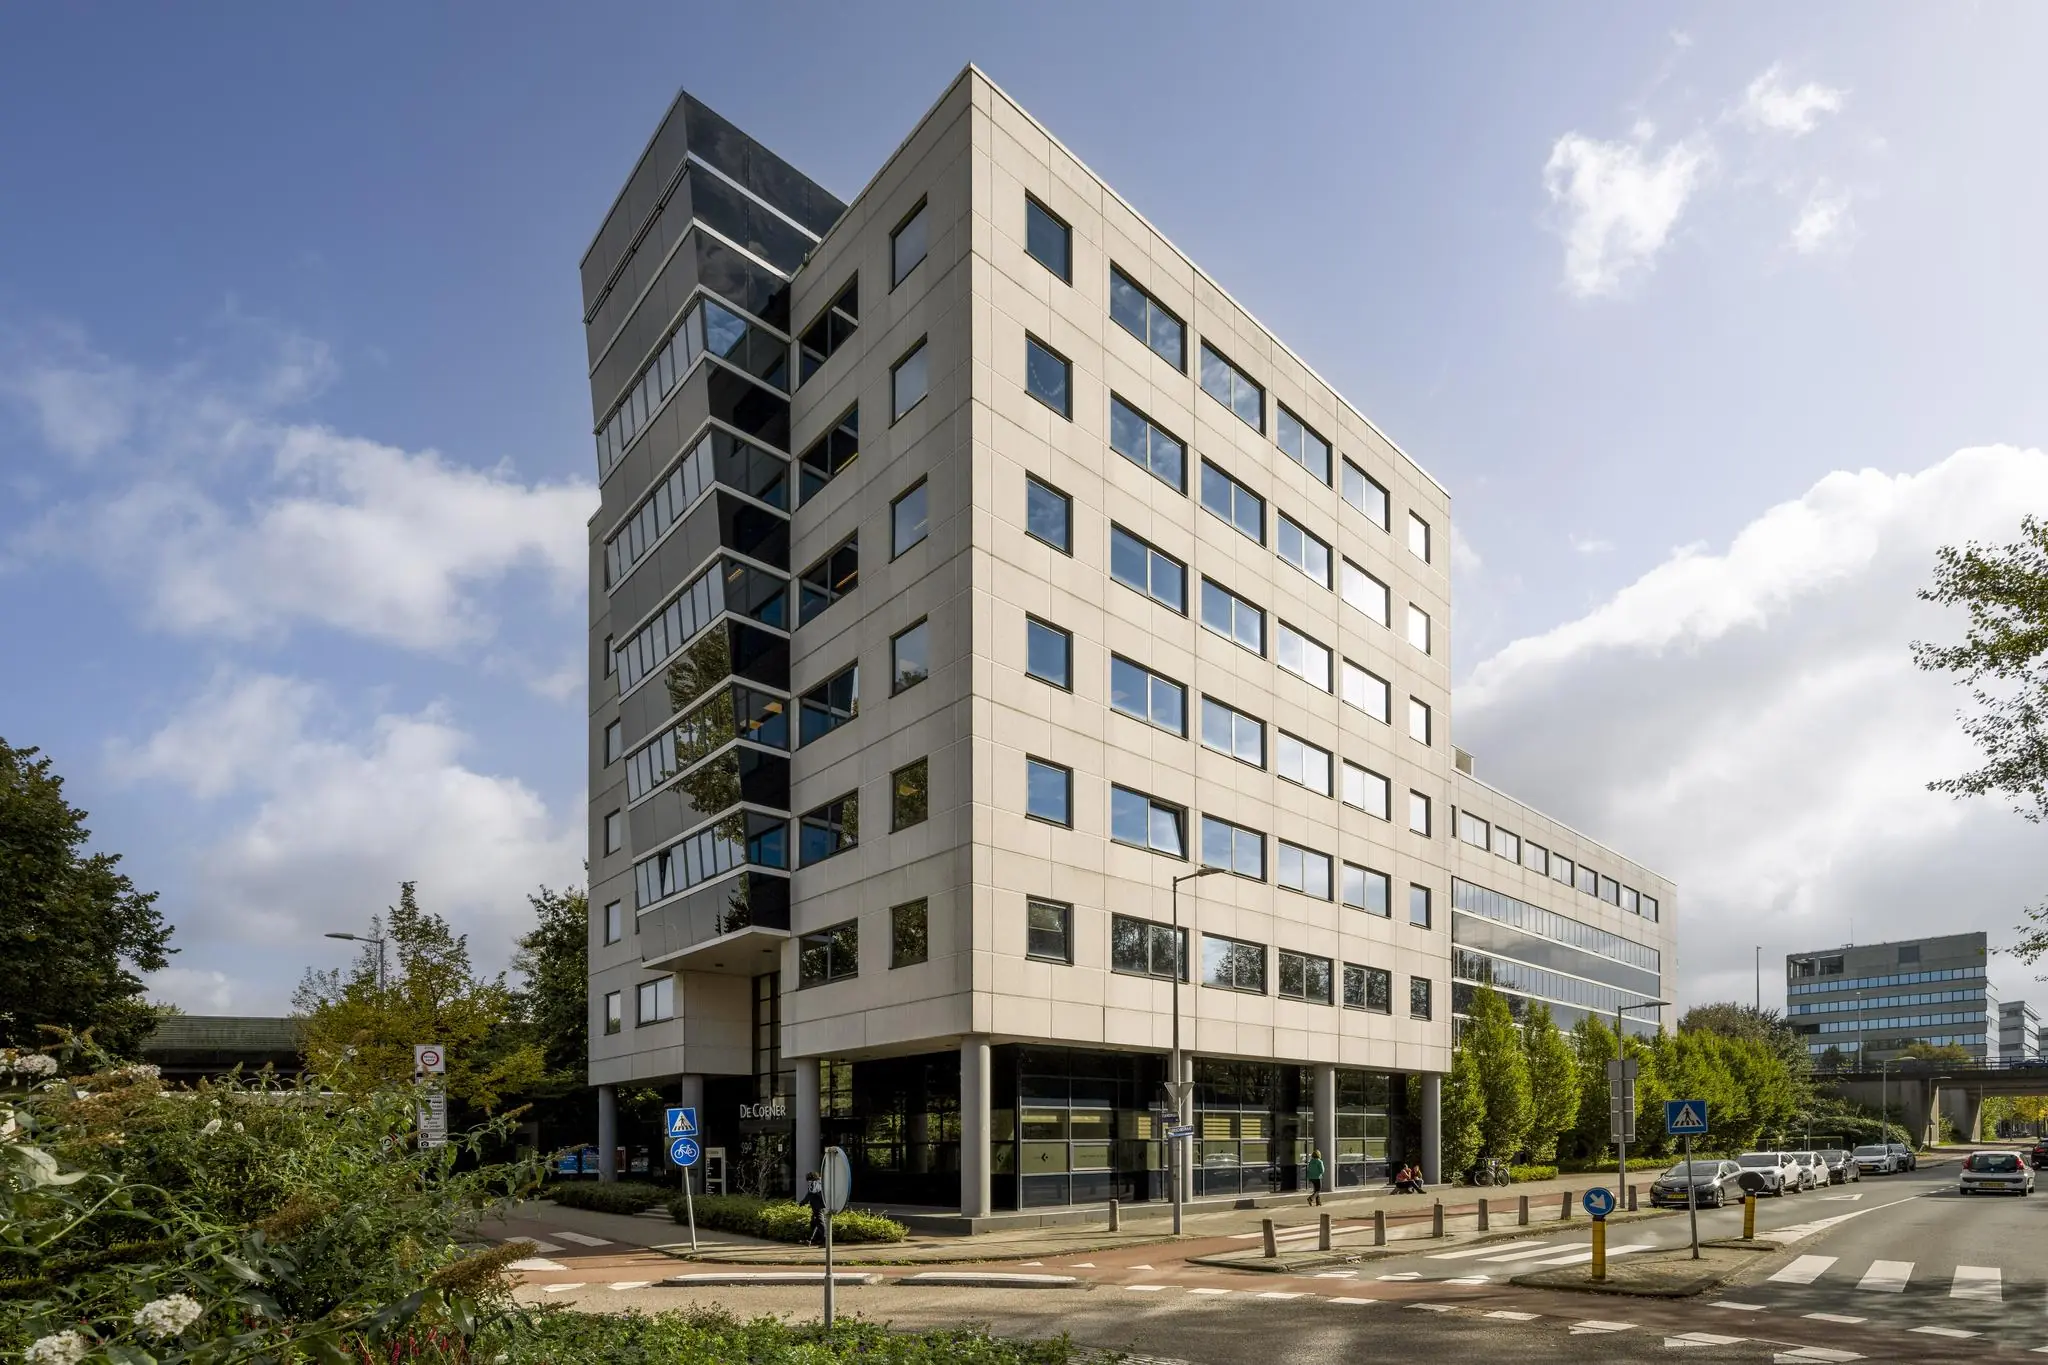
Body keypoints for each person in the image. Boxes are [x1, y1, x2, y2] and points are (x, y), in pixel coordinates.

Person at [802, 1170, 827, 1246]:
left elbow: (811, 1192)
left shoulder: (815, 1183)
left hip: (818, 1207)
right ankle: (811, 1240)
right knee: (814, 1223)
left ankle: (826, 1241)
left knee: (820, 1222)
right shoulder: (821, 1182)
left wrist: (803, 1202)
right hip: (821, 1206)